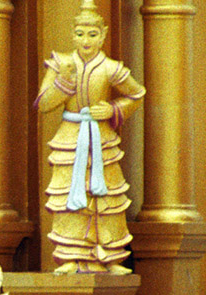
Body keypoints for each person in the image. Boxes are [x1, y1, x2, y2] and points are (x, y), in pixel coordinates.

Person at [36, 0, 145, 274]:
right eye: (81, 34)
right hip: (70, 139)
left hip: (101, 139)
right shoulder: (60, 63)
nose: (86, 40)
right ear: (72, 34)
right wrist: (64, 83)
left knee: (105, 199)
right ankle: (71, 254)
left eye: (93, 34)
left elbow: (137, 94)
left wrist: (113, 109)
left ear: (104, 34)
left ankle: (108, 257)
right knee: (69, 198)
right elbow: (43, 103)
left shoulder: (111, 68)